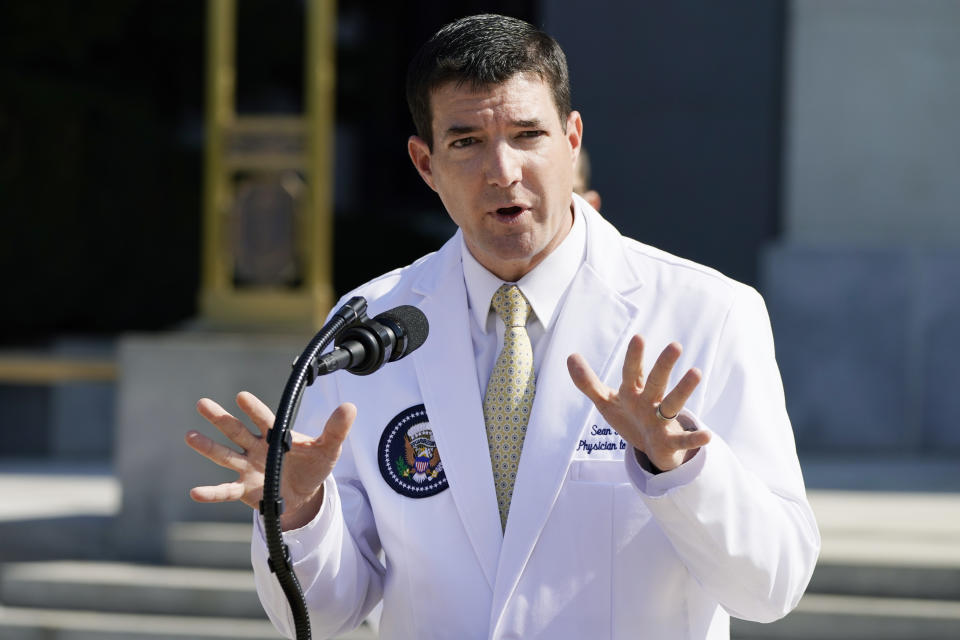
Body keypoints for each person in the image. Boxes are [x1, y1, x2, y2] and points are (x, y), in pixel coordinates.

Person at [185, 14, 819, 640]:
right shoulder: (367, 332)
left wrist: (680, 472)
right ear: (424, 164)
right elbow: (326, 615)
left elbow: (770, 588)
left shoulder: (707, 312)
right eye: (465, 142)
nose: (503, 171)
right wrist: (298, 511)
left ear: (572, 141)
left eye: (527, 134)